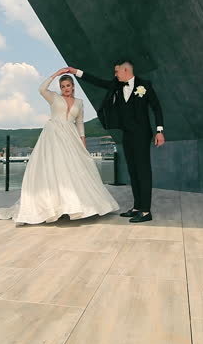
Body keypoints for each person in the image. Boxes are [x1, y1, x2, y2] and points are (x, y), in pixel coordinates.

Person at [0, 68, 119, 224]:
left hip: (71, 136)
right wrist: (55, 75)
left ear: (73, 86)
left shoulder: (79, 102)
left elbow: (80, 123)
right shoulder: (53, 97)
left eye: (68, 86)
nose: (65, 89)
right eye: (63, 86)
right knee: (56, 167)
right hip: (53, 135)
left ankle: (75, 205)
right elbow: (41, 89)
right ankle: (55, 207)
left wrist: (83, 142)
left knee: (73, 169)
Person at [66, 60, 164, 223]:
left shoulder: (144, 85)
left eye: (117, 72)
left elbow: (157, 107)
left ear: (126, 70)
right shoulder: (117, 86)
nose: (115, 75)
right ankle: (137, 207)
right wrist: (76, 72)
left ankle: (146, 211)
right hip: (127, 134)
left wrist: (159, 131)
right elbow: (98, 81)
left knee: (143, 171)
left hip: (142, 134)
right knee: (132, 171)